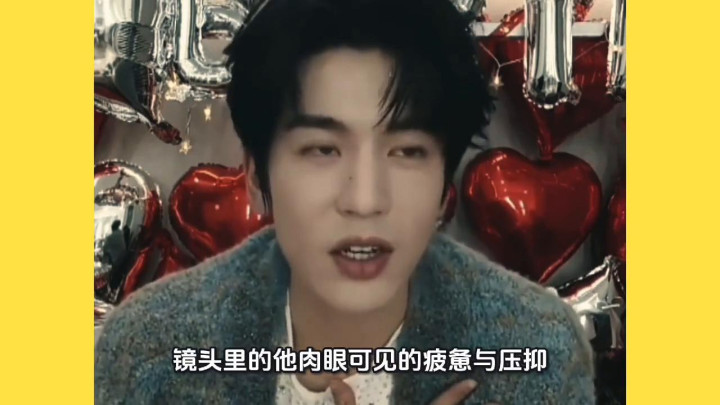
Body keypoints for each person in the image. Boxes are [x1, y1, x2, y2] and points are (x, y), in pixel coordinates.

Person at [94, 0, 595, 403]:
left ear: (444, 179)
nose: (365, 200)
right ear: (256, 174)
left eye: (407, 151)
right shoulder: (147, 352)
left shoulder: (537, 352)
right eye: (322, 150)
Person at [102, 219, 127, 291]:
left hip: (116, 259)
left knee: (106, 263)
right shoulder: (121, 234)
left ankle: (107, 285)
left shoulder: (110, 237)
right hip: (123, 257)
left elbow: (105, 249)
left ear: (113, 227)